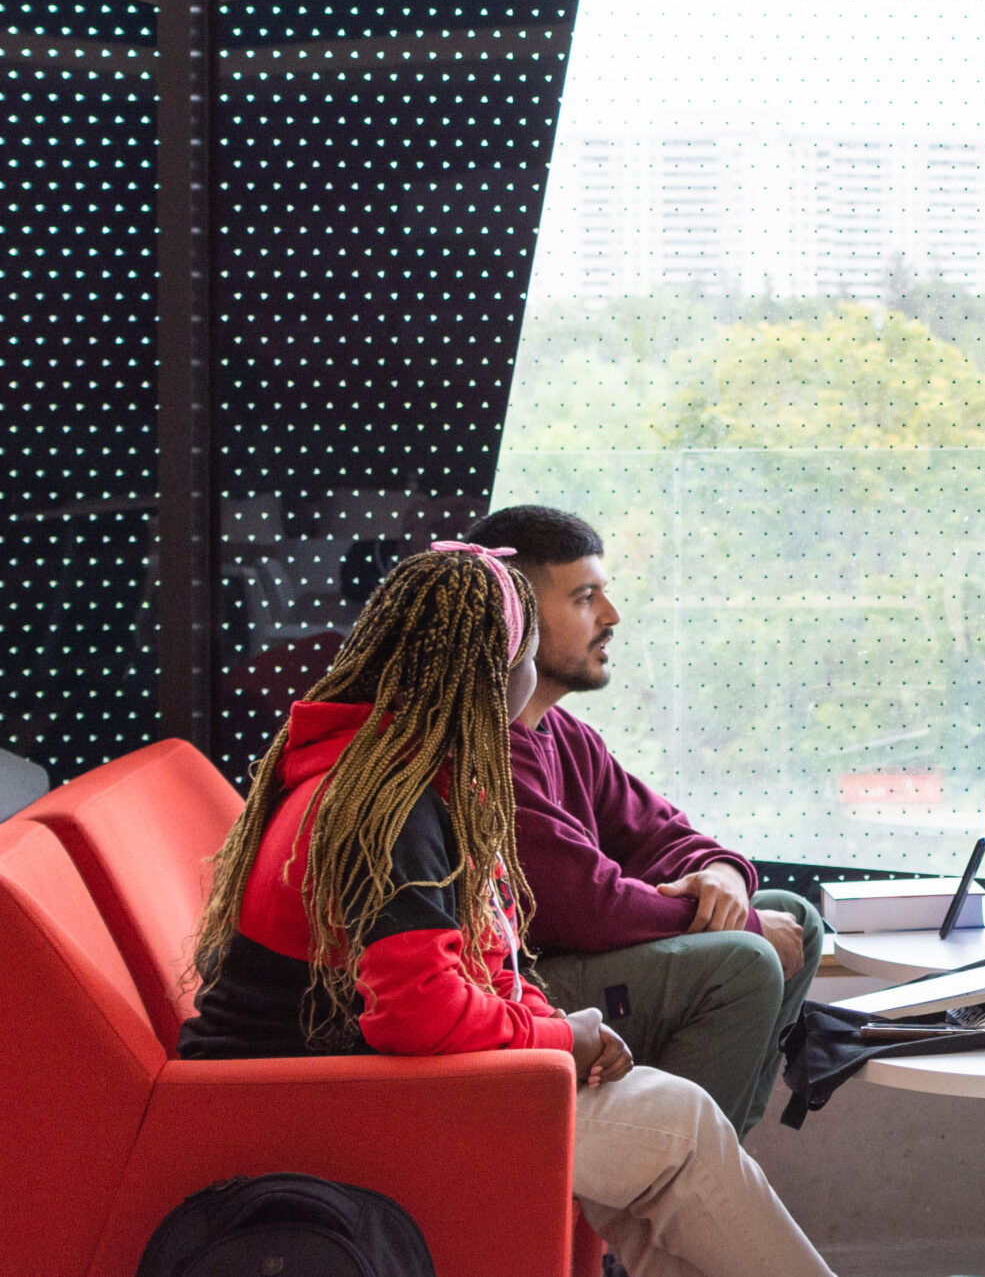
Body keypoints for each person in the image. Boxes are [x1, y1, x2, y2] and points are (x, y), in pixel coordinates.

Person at [181, 544, 835, 1277]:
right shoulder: (392, 809)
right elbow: (416, 1013)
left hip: (357, 1078)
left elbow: (479, 959)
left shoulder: (397, 770)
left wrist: (552, 1031)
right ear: (497, 671)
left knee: (665, 1148)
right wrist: (561, 1037)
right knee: (679, 1128)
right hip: (319, 1103)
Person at [463, 504, 824, 1137]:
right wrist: (735, 918)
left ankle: (707, 1165)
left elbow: (663, 836)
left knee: (795, 916)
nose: (611, 617)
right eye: (584, 598)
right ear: (513, 615)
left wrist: (722, 876)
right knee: (745, 959)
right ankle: (680, 1180)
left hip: (574, 963)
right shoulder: (484, 742)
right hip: (522, 987)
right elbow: (578, 903)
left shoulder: (565, 734)